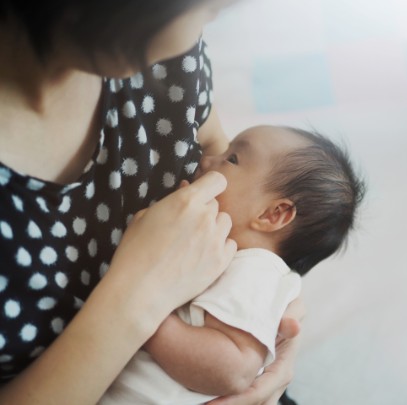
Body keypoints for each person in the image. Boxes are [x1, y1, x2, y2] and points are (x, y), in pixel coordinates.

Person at [0, 1, 304, 403]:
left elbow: (220, 152)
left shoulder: (171, 59)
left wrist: (275, 305)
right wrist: (138, 297)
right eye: (210, 10)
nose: (203, 29)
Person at [99, 125, 366, 404]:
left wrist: (145, 312)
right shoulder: (238, 262)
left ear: (274, 214)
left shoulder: (254, 271)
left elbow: (235, 370)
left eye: (232, 159)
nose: (205, 160)